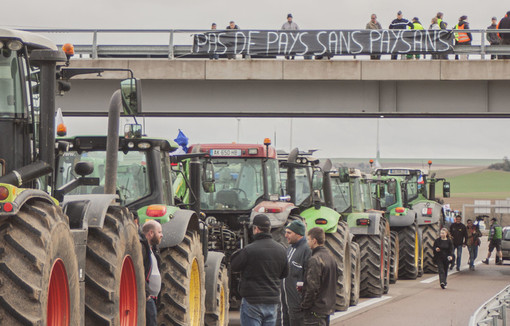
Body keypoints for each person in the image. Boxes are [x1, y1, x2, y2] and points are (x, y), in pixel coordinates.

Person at [231, 214, 289, 326]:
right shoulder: (282, 250)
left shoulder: (248, 250)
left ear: (256, 229)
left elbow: (234, 266)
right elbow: (284, 273)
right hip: (272, 302)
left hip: (252, 302)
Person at [300, 227, 337, 326]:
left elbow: (312, 287)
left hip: (315, 310)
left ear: (314, 241)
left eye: (308, 239)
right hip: (326, 308)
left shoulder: (315, 259)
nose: (307, 242)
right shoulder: (331, 258)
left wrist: (305, 305)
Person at [281, 220, 311, 326]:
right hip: (286, 302)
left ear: (298, 234)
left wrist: (303, 299)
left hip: (297, 303)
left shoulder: (306, 250)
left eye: (289, 233)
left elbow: (310, 276)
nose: (285, 235)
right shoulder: (289, 249)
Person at [140, 220, 163, 326]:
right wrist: (147, 294)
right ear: (150, 233)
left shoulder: (153, 250)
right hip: (147, 297)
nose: (161, 235)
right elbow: (140, 273)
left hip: (153, 298)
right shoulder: (142, 249)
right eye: (159, 232)